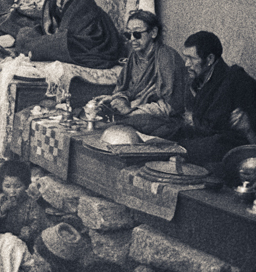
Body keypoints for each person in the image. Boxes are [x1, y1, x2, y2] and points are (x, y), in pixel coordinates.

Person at [98, 10, 188, 138]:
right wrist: (117, 99)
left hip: (160, 118)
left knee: (123, 125)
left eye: (137, 34)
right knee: (96, 110)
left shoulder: (166, 57)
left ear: (153, 33)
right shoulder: (134, 57)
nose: (132, 39)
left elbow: (170, 106)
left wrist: (132, 110)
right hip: (133, 111)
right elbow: (125, 89)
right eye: (128, 35)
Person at [13, 0, 123, 69]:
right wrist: (52, 35)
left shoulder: (84, 3)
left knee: (52, 44)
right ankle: (33, 49)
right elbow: (49, 23)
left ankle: (32, 51)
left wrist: (54, 38)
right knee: (25, 32)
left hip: (88, 40)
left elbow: (71, 32)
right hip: (66, 36)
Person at [177, 31, 256, 165]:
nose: (186, 64)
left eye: (191, 58)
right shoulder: (198, 80)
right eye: (186, 58)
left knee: (212, 146)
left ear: (209, 59)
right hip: (206, 139)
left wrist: (194, 120)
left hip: (233, 145)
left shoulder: (236, 80)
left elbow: (216, 125)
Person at [0, 160, 46, 246]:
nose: (12, 191)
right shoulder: (1, 199)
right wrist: (3, 208)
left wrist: (29, 231)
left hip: (21, 243)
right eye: (7, 186)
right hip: (1, 240)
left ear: (26, 185)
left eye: (18, 186)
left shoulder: (32, 204)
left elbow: (37, 225)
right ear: (1, 185)